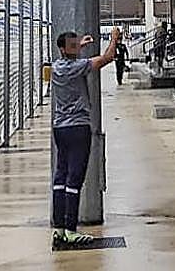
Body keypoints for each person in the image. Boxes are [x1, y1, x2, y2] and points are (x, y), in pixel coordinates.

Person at [51, 25, 120, 248]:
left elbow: (70, 55)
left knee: (60, 178)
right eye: (74, 46)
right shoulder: (79, 67)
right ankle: (71, 230)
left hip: (60, 128)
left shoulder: (56, 67)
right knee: (75, 179)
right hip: (78, 128)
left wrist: (77, 47)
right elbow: (107, 58)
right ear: (65, 49)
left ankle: (59, 229)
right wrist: (114, 38)